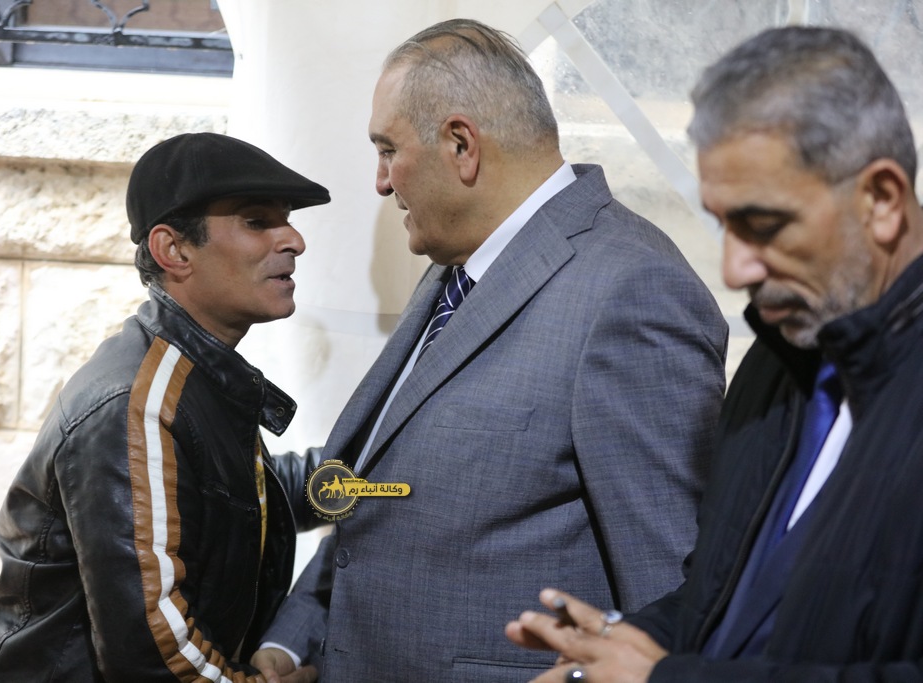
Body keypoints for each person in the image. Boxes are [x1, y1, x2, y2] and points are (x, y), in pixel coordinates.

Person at [254, 18, 728, 683]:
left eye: (388, 149)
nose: (382, 181)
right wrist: (295, 639)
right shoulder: (459, 268)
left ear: (461, 145)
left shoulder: (633, 291)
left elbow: (668, 593)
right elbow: (382, 498)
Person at [506, 25, 923, 683]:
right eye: (724, 225)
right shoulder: (777, 360)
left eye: (764, 226)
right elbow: (725, 597)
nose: (733, 269)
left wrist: (663, 678)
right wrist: (622, 644)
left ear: (881, 200)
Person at [0, 132, 330, 682]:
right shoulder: (138, 406)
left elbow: (251, 499)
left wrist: (387, 476)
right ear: (173, 251)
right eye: (257, 221)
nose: (294, 240)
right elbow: (155, 658)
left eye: (288, 221)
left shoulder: (194, 376)